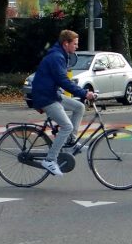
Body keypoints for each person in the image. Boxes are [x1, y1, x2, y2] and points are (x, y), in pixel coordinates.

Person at [29, 30, 96, 177]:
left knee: (79, 107)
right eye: (75, 44)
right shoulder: (56, 57)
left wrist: (82, 94)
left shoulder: (61, 55)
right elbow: (63, 81)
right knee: (67, 126)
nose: (77, 47)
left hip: (53, 95)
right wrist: (84, 93)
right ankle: (50, 160)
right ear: (66, 43)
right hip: (46, 98)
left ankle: (70, 142)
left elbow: (63, 80)